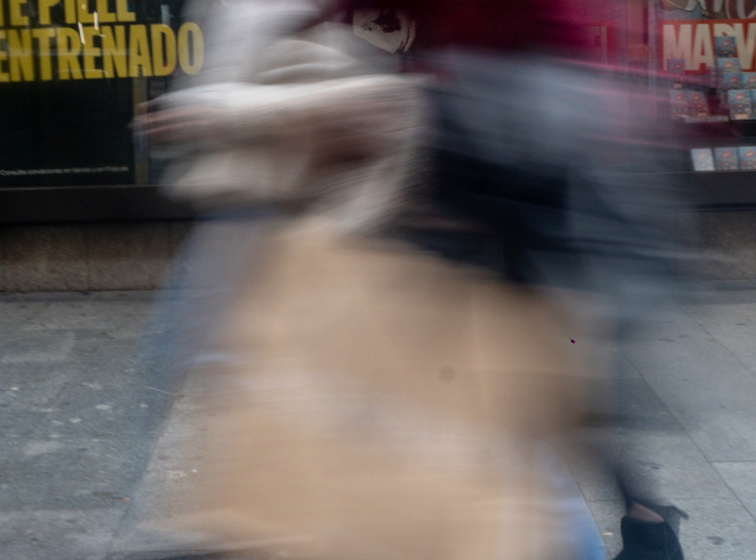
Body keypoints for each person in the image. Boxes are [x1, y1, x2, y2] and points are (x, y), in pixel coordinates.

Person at [135, 1, 692, 559]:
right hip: (497, 156)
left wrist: (230, 104)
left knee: (520, 376)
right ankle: (639, 521)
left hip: (515, 151)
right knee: (525, 381)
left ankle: (623, 525)